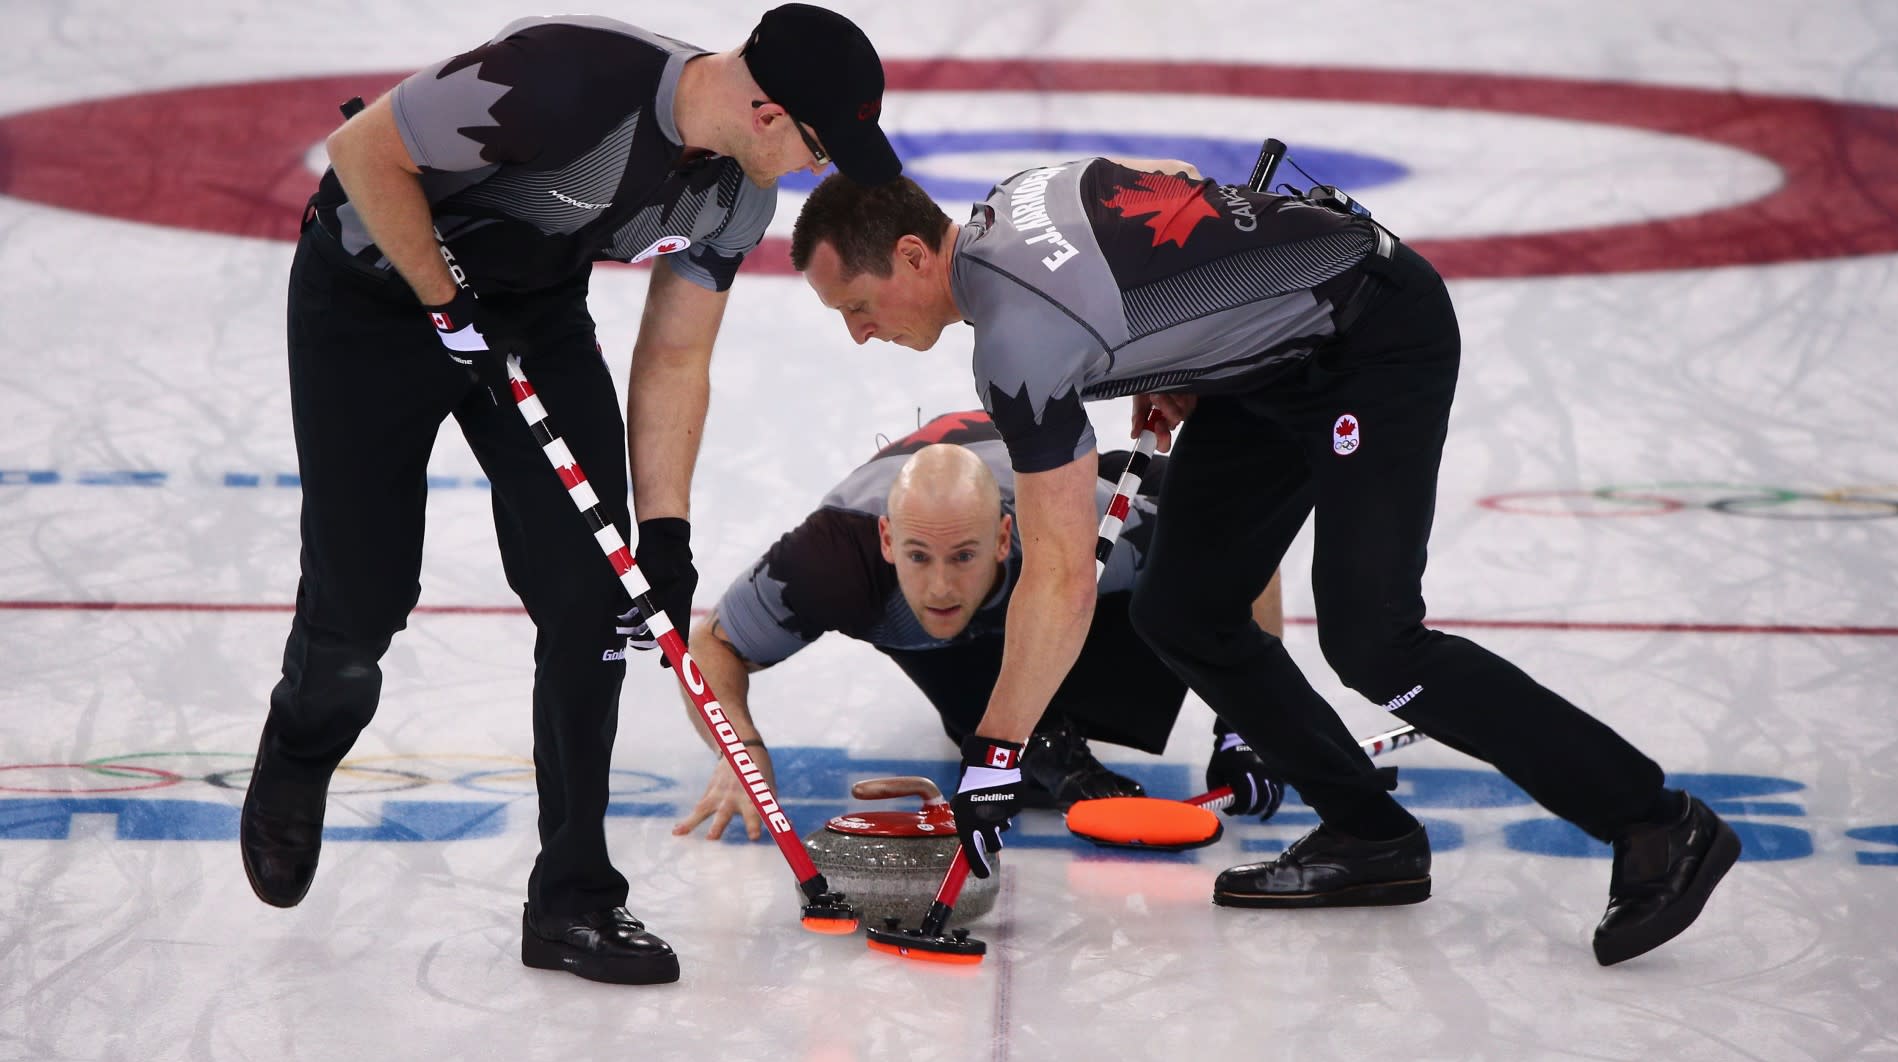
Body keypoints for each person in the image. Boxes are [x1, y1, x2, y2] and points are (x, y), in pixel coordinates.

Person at [786, 157, 1741, 967]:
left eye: (859, 305)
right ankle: (1372, 836)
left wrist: (994, 755)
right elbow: (1186, 200)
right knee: (1182, 611)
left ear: (915, 255)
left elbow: (1061, 579)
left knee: (1377, 645)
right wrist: (1177, 358)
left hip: (1372, 340)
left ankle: (1655, 823)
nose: (859, 333)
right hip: (1262, 366)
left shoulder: (1018, 347)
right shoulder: (1022, 192)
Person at [239, 5, 900, 987]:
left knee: (597, 594)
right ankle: (300, 745)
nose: (812, 167)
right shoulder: (569, 80)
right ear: (768, 112)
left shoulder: (736, 200)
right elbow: (363, 149)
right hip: (375, 291)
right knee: (361, 606)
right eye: (814, 144)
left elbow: (676, 354)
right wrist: (439, 296)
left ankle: (574, 899)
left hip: (530, 315)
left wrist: (665, 539)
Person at [668, 410, 1287, 841]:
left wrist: (1248, 728)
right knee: (945, 639)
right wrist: (741, 754)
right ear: (886, 539)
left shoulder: (1088, 525)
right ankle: (1037, 736)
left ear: (1003, 537)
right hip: (943, 622)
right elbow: (711, 646)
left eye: (963, 555)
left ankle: (1039, 715)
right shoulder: (831, 561)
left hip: (1061, 562)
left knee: (1176, 599)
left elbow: (1243, 537)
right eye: (918, 556)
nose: (939, 584)